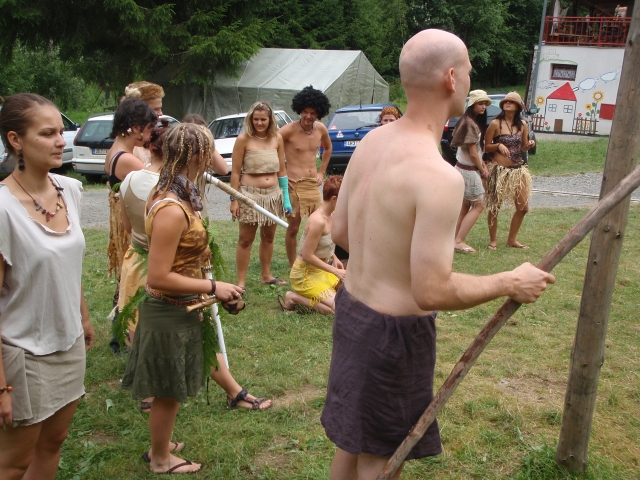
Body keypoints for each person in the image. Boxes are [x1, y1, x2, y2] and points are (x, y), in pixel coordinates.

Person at [320, 30, 555, 480]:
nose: (469, 78)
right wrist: (509, 281)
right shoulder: (438, 177)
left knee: (353, 442)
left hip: (352, 311)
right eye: (467, 70)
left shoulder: (372, 142)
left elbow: (341, 230)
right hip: (391, 336)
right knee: (380, 458)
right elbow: (431, 289)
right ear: (450, 78)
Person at [121, 124, 246, 474]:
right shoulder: (172, 208)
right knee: (168, 391)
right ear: (197, 156)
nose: (213, 159)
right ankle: (161, 459)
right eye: (209, 151)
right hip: (167, 309)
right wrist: (213, 287)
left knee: (170, 389)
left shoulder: (177, 190)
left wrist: (208, 288)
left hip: (182, 305)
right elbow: (158, 276)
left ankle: (161, 443)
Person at [0, 93, 95, 479]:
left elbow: (68, 265)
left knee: (54, 442)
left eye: (60, 131)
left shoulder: (69, 189)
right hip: (25, 354)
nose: (60, 141)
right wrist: (1, 386)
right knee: (13, 462)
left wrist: (83, 319)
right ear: (15, 140)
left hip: (68, 345)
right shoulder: (3, 209)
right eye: (47, 133)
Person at [104, 98, 157, 354]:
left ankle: (122, 333)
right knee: (133, 280)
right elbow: (153, 182)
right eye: (148, 127)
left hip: (124, 216)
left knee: (127, 280)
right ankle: (125, 334)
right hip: (133, 221)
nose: (150, 133)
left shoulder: (115, 150)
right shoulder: (127, 159)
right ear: (135, 128)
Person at [230, 101, 291, 289]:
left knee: (269, 237)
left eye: (263, 119)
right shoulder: (243, 139)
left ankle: (266, 275)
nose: (259, 123)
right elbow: (235, 172)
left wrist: (286, 199)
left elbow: (282, 171)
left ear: (270, 120)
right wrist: (234, 200)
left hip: (273, 195)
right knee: (245, 239)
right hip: (249, 195)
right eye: (256, 119)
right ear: (251, 119)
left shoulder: (277, 138)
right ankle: (241, 283)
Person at [279, 86, 332, 267]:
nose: (308, 116)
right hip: (294, 186)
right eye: (305, 112)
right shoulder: (288, 130)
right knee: (293, 228)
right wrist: (282, 175)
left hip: (312, 185)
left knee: (320, 224)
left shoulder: (320, 129)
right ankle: (293, 264)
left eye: (313, 113)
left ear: (319, 113)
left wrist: (321, 171)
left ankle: (316, 260)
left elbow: (328, 148)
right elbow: (271, 149)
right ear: (299, 110)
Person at [278, 175, 345, 315]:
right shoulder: (318, 221)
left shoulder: (331, 216)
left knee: (348, 298)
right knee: (338, 310)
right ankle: (293, 297)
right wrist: (335, 271)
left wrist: (334, 258)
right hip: (304, 275)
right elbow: (307, 255)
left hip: (320, 271)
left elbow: (323, 242)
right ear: (334, 199)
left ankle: (315, 295)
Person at [484, 91, 536, 250]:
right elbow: (486, 146)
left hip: (517, 170)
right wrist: (498, 145)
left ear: (517, 107)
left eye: (511, 102)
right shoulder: (495, 123)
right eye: (506, 101)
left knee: (523, 208)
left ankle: (511, 240)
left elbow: (522, 147)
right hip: (499, 170)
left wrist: (528, 145)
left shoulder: (523, 124)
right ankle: (493, 240)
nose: (507, 103)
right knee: (495, 206)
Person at [451, 89, 492, 254]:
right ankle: (459, 241)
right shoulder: (469, 123)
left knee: (464, 205)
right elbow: (473, 153)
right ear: (473, 104)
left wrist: (482, 164)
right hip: (467, 170)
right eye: (480, 103)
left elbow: (475, 152)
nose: (483, 107)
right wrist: (483, 170)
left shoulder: (468, 121)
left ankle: (453, 239)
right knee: (479, 205)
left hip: (463, 168)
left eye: (485, 104)